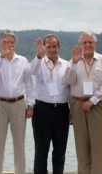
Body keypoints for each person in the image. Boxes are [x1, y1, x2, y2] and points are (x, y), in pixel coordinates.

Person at [65, 31, 102, 174]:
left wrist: (92, 101)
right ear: (80, 45)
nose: (87, 45)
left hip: (97, 106)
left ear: (95, 44)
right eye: (84, 42)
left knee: (98, 148)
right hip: (78, 105)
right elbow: (69, 82)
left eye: (90, 42)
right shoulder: (73, 61)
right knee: (81, 148)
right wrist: (74, 64)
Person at [0, 30, 34, 174]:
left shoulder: (23, 61)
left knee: (19, 143)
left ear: (16, 44)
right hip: (0, 104)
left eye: (12, 42)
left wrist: (30, 105)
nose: (9, 45)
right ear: (0, 43)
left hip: (18, 104)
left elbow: (29, 84)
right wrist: (2, 56)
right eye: (6, 42)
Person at [30, 34, 71, 174]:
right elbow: (31, 71)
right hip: (42, 109)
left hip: (62, 110)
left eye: (54, 46)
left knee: (60, 149)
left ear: (59, 47)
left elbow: (70, 88)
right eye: (48, 47)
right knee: (41, 148)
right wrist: (38, 55)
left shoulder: (66, 65)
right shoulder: (39, 62)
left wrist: (72, 110)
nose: (52, 49)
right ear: (44, 47)